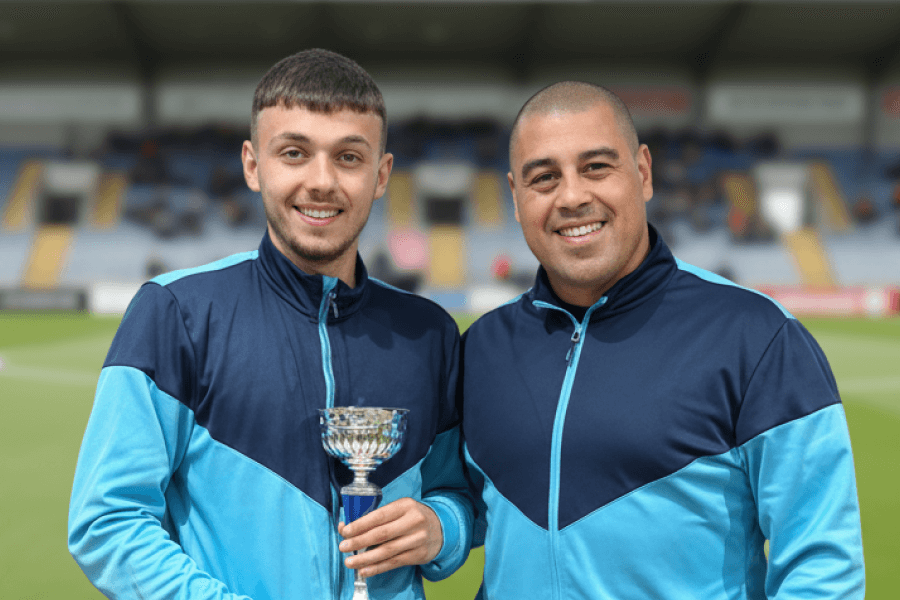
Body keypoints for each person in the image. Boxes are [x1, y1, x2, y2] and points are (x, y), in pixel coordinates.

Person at [68, 49, 473, 600]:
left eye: (349, 158)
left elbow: (459, 492)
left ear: (381, 176)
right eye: (294, 153)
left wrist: (441, 529)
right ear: (253, 165)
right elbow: (107, 521)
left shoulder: (430, 333)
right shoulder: (175, 312)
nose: (322, 181)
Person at [460, 82, 865, 599]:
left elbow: (822, 565)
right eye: (544, 178)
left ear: (643, 173)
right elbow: (453, 504)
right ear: (515, 198)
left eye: (596, 167)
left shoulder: (757, 337)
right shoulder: (480, 349)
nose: (572, 196)